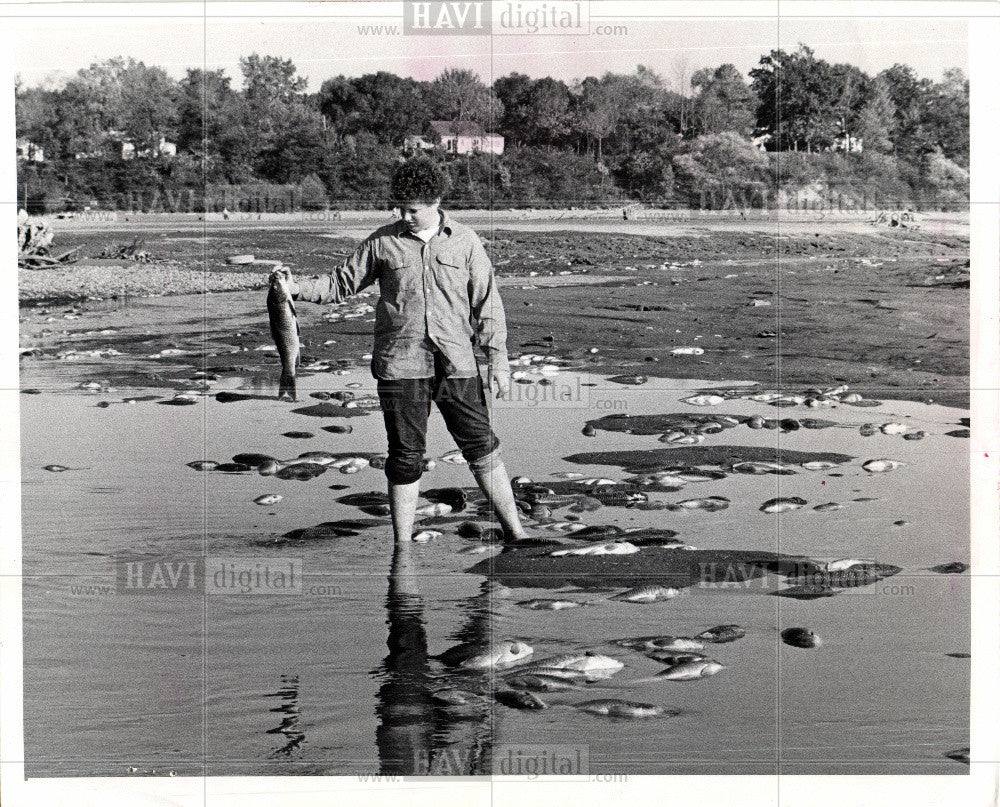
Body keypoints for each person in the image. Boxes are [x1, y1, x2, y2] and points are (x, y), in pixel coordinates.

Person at [271, 158, 531, 544]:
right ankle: (402, 546)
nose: (403, 215)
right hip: (400, 365)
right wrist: (294, 290)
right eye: (399, 207)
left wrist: (498, 361)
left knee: (481, 446)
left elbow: (488, 305)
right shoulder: (382, 242)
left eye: (412, 209)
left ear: (436, 201)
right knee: (405, 455)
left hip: (458, 364)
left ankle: (517, 533)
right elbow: (339, 284)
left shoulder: (465, 240)